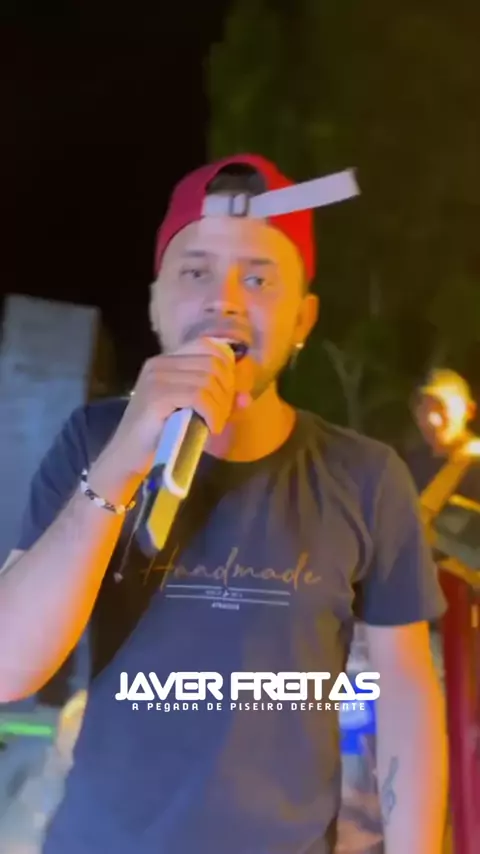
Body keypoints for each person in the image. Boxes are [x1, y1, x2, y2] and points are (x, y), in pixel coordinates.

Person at [0, 154, 448, 854]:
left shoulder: (365, 476)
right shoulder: (93, 440)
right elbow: (8, 668)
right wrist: (122, 462)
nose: (225, 300)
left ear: (302, 318)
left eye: (259, 278)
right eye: (196, 272)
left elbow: (405, 693)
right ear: (156, 305)